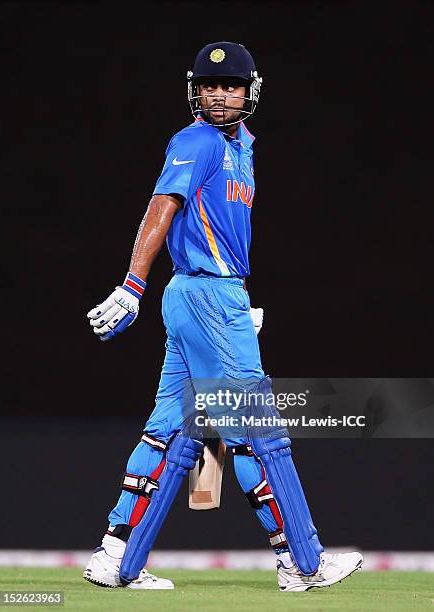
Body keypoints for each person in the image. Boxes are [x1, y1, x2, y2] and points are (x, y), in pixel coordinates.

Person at [84, 41, 363, 592]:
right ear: (195, 90)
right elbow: (162, 207)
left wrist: (233, 300)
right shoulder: (197, 141)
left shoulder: (244, 149)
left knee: (170, 429)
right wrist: (133, 284)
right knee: (258, 431)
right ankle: (302, 563)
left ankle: (117, 557)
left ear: (249, 91)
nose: (219, 94)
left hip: (210, 299)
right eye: (210, 85)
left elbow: (219, 230)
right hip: (205, 297)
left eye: (231, 85)